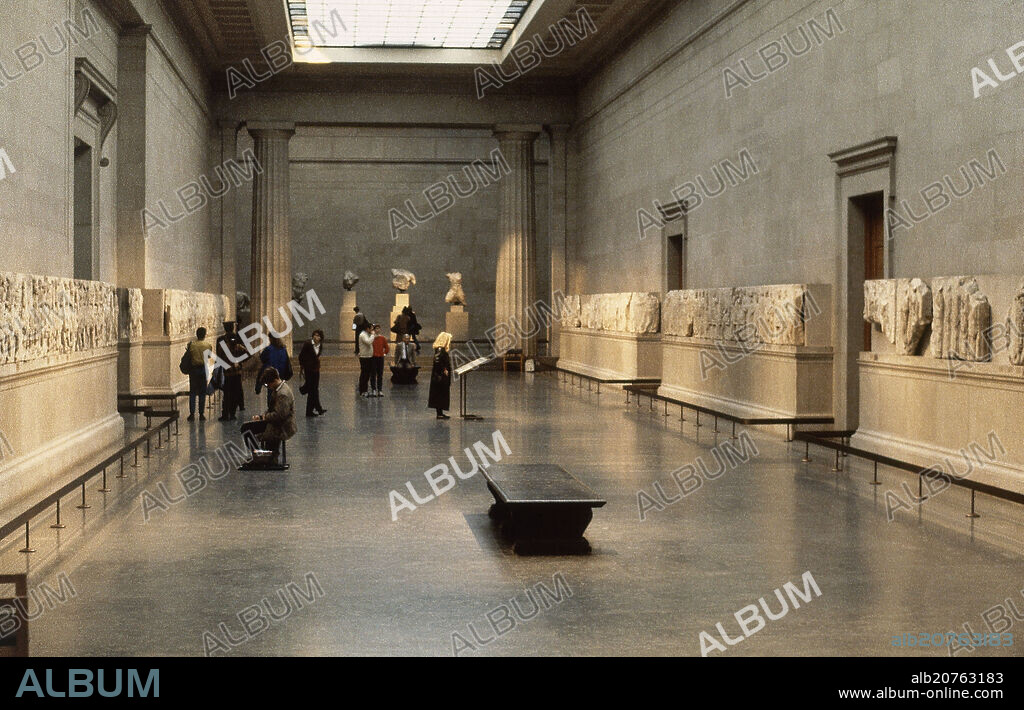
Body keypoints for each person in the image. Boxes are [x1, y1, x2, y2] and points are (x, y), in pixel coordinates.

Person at [240, 367, 296, 466]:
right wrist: (261, 417)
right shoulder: (278, 389)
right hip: (275, 421)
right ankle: (259, 455)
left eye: (268, 384)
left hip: (281, 425)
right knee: (246, 427)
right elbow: (273, 410)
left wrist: (264, 417)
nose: (268, 387)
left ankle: (260, 456)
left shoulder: (283, 394)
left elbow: (279, 416)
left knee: (246, 429)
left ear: (274, 380)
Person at [216, 322, 246, 422]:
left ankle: (225, 414)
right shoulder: (238, 338)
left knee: (227, 394)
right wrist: (240, 362)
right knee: (235, 392)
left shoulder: (221, 341)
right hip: (237, 371)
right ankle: (232, 414)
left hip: (227, 371)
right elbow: (247, 352)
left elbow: (219, 356)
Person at [186, 327, 214, 422]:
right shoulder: (208, 345)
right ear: (204, 335)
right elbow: (209, 357)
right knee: (202, 392)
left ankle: (192, 414)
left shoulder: (192, 345)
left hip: (194, 370)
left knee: (193, 392)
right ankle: (201, 414)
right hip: (203, 369)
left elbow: (189, 356)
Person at [258, 336, 293, 409]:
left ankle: (271, 409)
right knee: (280, 391)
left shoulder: (269, 349)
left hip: (271, 373)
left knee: (271, 392)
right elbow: (286, 361)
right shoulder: (283, 348)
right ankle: (279, 408)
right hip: (281, 374)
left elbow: (262, 358)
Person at [298, 329, 327, 417]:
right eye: (315, 335)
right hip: (309, 369)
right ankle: (316, 409)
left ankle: (313, 410)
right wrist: (304, 365)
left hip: (316, 369)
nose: (316, 337)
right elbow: (301, 356)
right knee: (312, 390)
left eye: (318, 335)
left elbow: (317, 356)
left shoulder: (320, 345)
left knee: (314, 390)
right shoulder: (308, 344)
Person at [428, 331, 453, 419]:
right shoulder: (440, 349)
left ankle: (440, 412)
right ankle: (439, 413)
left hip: (439, 375)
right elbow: (437, 361)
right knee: (440, 394)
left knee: (440, 394)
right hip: (440, 376)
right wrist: (444, 370)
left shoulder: (440, 349)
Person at [357, 321, 375, 398]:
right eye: (371, 329)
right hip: (364, 358)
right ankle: (362, 391)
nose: (372, 330)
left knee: (367, 375)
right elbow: (368, 342)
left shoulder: (367, 334)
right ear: (367, 329)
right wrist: (373, 335)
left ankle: (366, 390)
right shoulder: (363, 335)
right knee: (364, 375)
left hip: (369, 357)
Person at [371, 324, 390, 397]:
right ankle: (373, 389)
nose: (377, 330)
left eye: (378, 328)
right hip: (373, 357)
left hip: (380, 357)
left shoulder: (383, 338)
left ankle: (380, 390)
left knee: (380, 374)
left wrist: (384, 353)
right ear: (374, 330)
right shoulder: (372, 338)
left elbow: (386, 347)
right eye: (376, 329)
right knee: (373, 374)